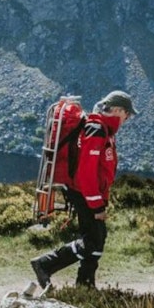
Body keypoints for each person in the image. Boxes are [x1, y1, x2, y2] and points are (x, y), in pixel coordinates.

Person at [29, 90, 135, 292]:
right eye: (127, 113)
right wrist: (96, 205)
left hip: (90, 193)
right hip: (84, 193)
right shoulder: (97, 129)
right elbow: (86, 172)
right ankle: (45, 264)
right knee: (92, 240)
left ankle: (85, 284)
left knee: (99, 237)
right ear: (116, 110)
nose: (127, 118)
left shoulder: (104, 129)